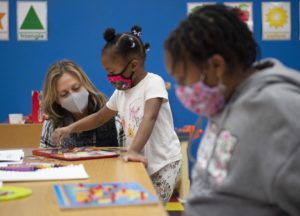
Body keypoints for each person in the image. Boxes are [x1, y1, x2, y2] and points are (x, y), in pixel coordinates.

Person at [164, 4, 300, 216]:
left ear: (216, 67)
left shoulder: (277, 111)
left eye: (182, 79)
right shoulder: (227, 101)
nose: (182, 89)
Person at [51, 26, 182, 204]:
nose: (110, 77)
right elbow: (99, 117)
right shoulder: (121, 92)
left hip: (164, 163)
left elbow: (149, 118)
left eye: (112, 72)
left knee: (151, 207)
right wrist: (70, 128)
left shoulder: (154, 82)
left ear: (134, 65)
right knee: (135, 206)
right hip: (139, 161)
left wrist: (133, 150)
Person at [40, 59, 125, 148]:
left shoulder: (111, 112)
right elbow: (43, 158)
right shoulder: (52, 123)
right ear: (56, 100)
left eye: (76, 88)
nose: (73, 96)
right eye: (64, 94)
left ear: (85, 84)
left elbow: (126, 154)